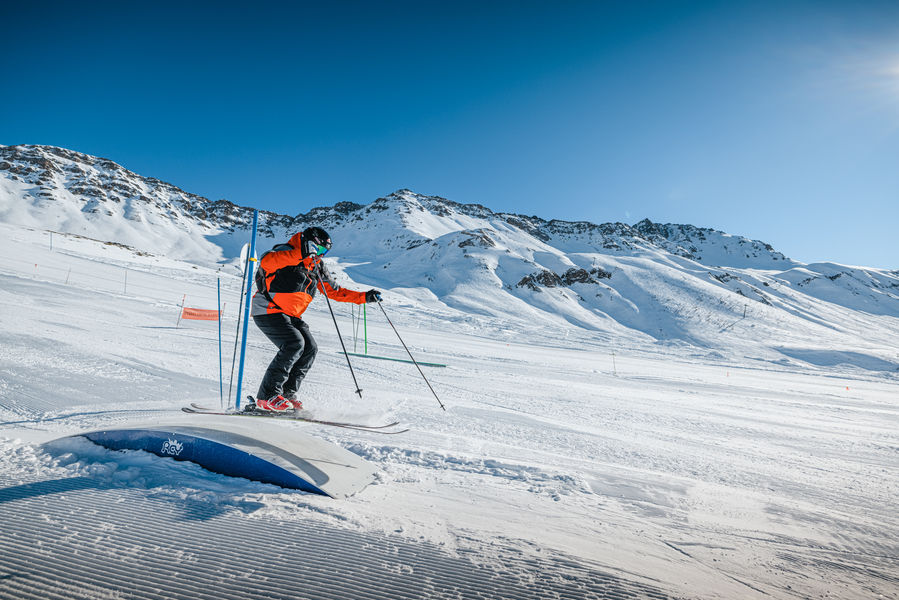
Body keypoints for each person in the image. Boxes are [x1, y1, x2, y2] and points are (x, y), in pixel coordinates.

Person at [249, 226, 381, 411]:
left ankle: (286, 393)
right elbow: (267, 263)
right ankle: (267, 396)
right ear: (307, 243)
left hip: (291, 315)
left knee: (310, 348)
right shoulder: (284, 252)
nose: (320, 254)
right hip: (268, 310)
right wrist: (299, 254)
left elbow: (334, 291)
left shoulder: (316, 266)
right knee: (294, 344)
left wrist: (364, 297)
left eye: (324, 252)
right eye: (317, 249)